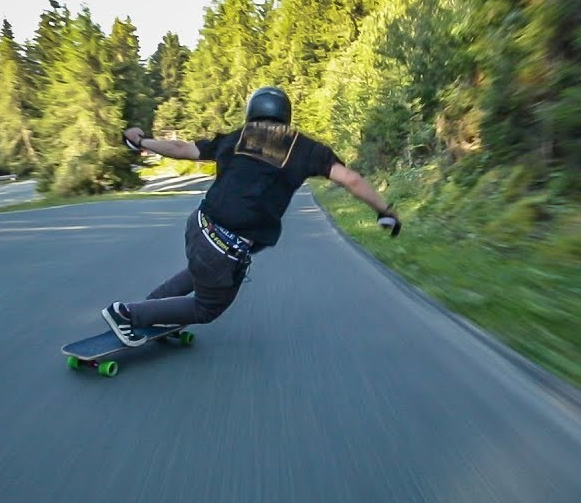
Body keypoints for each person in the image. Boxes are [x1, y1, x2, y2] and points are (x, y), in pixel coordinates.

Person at [102, 85, 401, 346]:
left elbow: (181, 148)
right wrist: (384, 211)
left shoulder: (237, 138)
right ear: (286, 114)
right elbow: (351, 179)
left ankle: (150, 310)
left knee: (200, 274)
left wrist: (141, 141)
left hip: (199, 227)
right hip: (222, 249)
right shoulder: (306, 149)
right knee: (207, 307)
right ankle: (128, 314)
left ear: (251, 112)